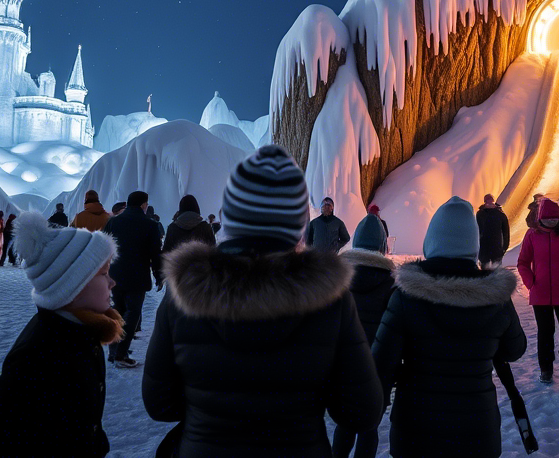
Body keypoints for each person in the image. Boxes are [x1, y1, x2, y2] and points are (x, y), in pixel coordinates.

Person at [142, 145, 383, 455]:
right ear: (299, 226)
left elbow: (159, 404)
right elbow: (362, 412)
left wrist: (209, 406)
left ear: (229, 216)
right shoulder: (330, 299)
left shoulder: (186, 292)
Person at [372, 197, 527, 458]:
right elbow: (515, 350)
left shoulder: (406, 296)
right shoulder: (496, 297)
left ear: (431, 242)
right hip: (477, 427)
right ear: (473, 245)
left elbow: (380, 363)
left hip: (416, 425)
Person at [0, 212, 121, 457]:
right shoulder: (40, 353)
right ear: (74, 283)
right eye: (103, 273)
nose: (112, 282)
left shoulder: (80, 332)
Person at [333, 212, 397, 458]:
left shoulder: (339, 281)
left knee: (345, 424)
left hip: (345, 368)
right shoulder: (393, 285)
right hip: (378, 370)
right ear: (382, 246)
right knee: (369, 427)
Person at [517, 198, 559, 383]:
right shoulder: (532, 235)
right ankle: (546, 369)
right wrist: (531, 283)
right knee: (545, 332)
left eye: (555, 218)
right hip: (540, 293)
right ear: (540, 218)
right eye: (548, 219)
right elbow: (522, 262)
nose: (552, 222)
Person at [102, 190, 162, 368]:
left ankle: (114, 351)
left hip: (114, 275)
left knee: (117, 311)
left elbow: (102, 246)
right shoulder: (150, 225)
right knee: (132, 313)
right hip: (137, 276)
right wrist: (158, 275)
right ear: (144, 205)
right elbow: (155, 254)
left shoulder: (113, 222)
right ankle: (120, 354)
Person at [476, 194, 510, 267]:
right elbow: (476, 231)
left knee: (495, 271)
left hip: (494, 249)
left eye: (490, 201)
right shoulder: (480, 214)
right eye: (487, 201)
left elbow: (506, 232)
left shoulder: (500, 214)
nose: (489, 203)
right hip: (485, 249)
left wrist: (504, 248)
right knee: (486, 272)